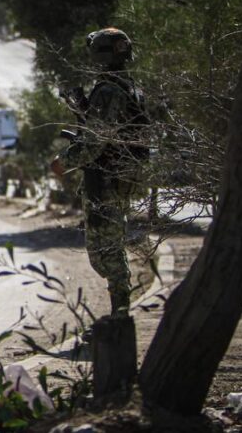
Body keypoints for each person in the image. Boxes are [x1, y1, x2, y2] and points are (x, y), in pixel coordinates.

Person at [51, 27, 149, 315]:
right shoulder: (129, 86)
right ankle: (120, 312)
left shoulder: (107, 91)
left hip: (106, 179)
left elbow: (95, 141)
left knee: (105, 253)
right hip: (119, 177)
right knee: (110, 248)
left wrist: (63, 162)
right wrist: (83, 110)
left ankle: (120, 317)